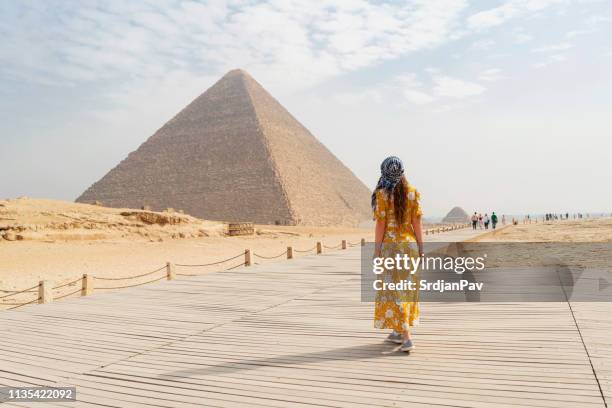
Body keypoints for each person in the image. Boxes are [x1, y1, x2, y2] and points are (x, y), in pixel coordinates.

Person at [372, 156, 423, 353]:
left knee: (395, 291)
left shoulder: (383, 195)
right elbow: (417, 224)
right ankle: (397, 331)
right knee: (406, 290)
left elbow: (381, 224)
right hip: (409, 247)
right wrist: (421, 248)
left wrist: (377, 250)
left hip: (390, 248)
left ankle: (407, 336)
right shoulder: (413, 193)